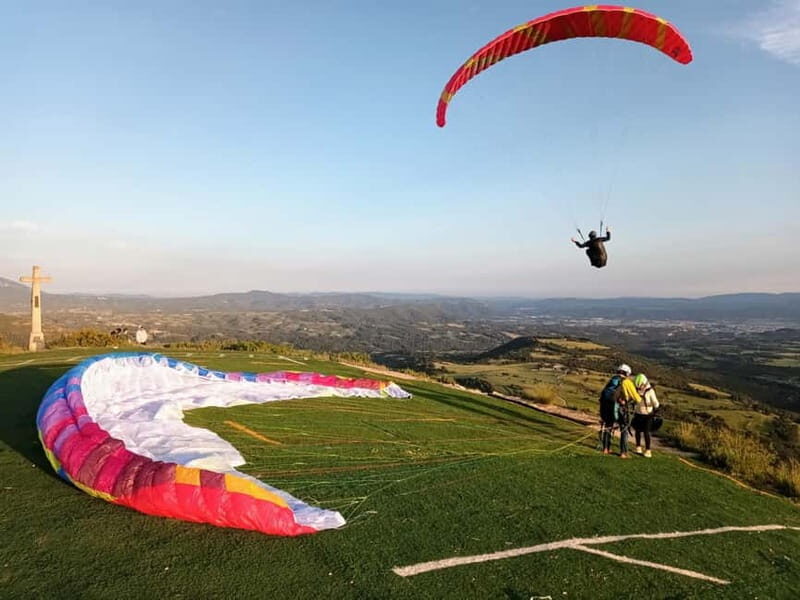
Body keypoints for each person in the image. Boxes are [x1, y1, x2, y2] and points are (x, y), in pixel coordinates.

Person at [599, 363, 641, 458]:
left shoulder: (612, 380)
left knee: (608, 426)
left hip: (607, 407)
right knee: (624, 428)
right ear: (627, 373)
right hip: (620, 408)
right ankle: (623, 453)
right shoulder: (627, 382)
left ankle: (606, 449)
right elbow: (637, 399)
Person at [632, 373, 660, 458]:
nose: (639, 388)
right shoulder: (636, 390)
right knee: (637, 431)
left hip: (648, 415)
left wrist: (654, 411)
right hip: (638, 413)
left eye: (641, 385)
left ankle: (648, 450)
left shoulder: (650, 391)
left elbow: (656, 404)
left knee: (646, 432)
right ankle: (638, 447)